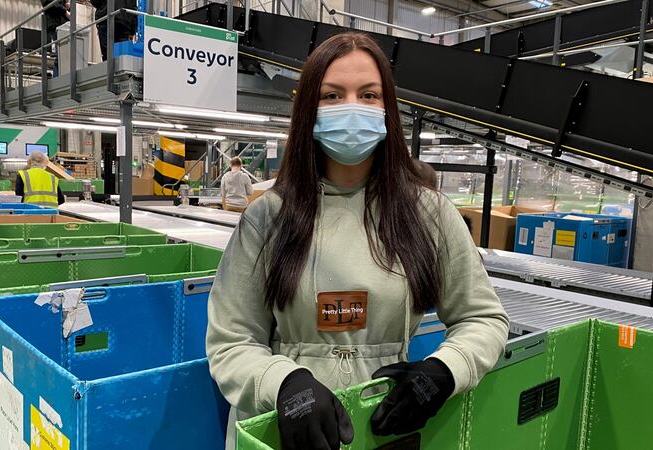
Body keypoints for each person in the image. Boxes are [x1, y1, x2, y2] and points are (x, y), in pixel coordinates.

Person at [205, 32, 508, 449]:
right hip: (286, 428)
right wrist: (283, 383)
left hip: (384, 426)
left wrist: (443, 371)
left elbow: (484, 319)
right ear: (309, 110)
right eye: (332, 96)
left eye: (368, 95)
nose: (351, 108)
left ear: (388, 110)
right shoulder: (268, 217)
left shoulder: (429, 213)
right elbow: (231, 340)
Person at [40, 0, 69, 75]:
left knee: (63, 52)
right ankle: (57, 76)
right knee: (59, 53)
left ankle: (61, 75)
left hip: (63, 24)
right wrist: (65, 10)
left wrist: (67, 5)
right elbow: (48, 2)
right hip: (54, 24)